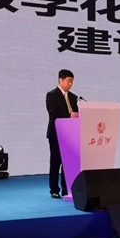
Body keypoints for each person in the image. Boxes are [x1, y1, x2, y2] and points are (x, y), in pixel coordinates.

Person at [46, 69, 79, 198]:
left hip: (70, 134)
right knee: (56, 161)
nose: (70, 84)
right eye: (68, 81)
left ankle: (66, 189)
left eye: (72, 81)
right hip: (56, 133)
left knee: (68, 163)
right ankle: (54, 189)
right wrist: (69, 116)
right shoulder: (51, 95)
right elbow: (53, 113)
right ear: (60, 80)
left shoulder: (73, 97)